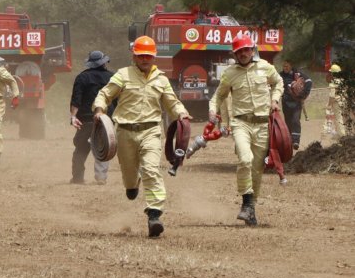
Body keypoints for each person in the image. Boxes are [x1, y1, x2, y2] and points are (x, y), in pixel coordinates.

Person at [92, 36, 190, 238]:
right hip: (125, 131)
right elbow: (105, 94)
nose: (145, 59)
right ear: (134, 56)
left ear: (154, 57)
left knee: (150, 169)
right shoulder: (123, 75)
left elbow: (172, 102)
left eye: (148, 55)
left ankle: (154, 215)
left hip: (151, 131)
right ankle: (131, 185)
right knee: (129, 177)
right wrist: (100, 110)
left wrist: (182, 114)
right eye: (141, 55)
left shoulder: (161, 80)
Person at [208, 31, 283, 227]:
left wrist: (275, 99)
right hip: (240, 123)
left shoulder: (266, 68)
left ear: (252, 50)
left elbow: (278, 83)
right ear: (234, 53)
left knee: (257, 170)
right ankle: (246, 203)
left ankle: (251, 209)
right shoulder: (229, 74)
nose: (243, 53)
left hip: (263, 125)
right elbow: (218, 96)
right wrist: (212, 111)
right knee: (245, 159)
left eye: (246, 49)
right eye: (239, 51)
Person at [69, 51, 115, 185]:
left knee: (80, 149)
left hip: (86, 120)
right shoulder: (112, 77)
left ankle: (77, 178)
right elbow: (118, 100)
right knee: (103, 148)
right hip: (106, 121)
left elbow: (76, 100)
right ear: (104, 62)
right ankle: (101, 177)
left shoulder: (82, 77)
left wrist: (73, 117)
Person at [280, 60, 312, 150]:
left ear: (291, 66)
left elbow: (309, 81)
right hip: (286, 102)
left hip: (297, 103)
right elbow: (275, 84)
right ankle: (289, 141)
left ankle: (296, 141)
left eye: (286, 66)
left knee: (295, 120)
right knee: (288, 122)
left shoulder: (298, 74)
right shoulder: (280, 75)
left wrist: (304, 94)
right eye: (283, 66)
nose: (284, 68)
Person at [323, 63, 347, 139]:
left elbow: (332, 95)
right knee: (344, 118)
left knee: (338, 118)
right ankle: (343, 133)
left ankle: (342, 135)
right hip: (344, 101)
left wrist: (329, 105)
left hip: (337, 103)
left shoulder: (333, 83)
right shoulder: (342, 81)